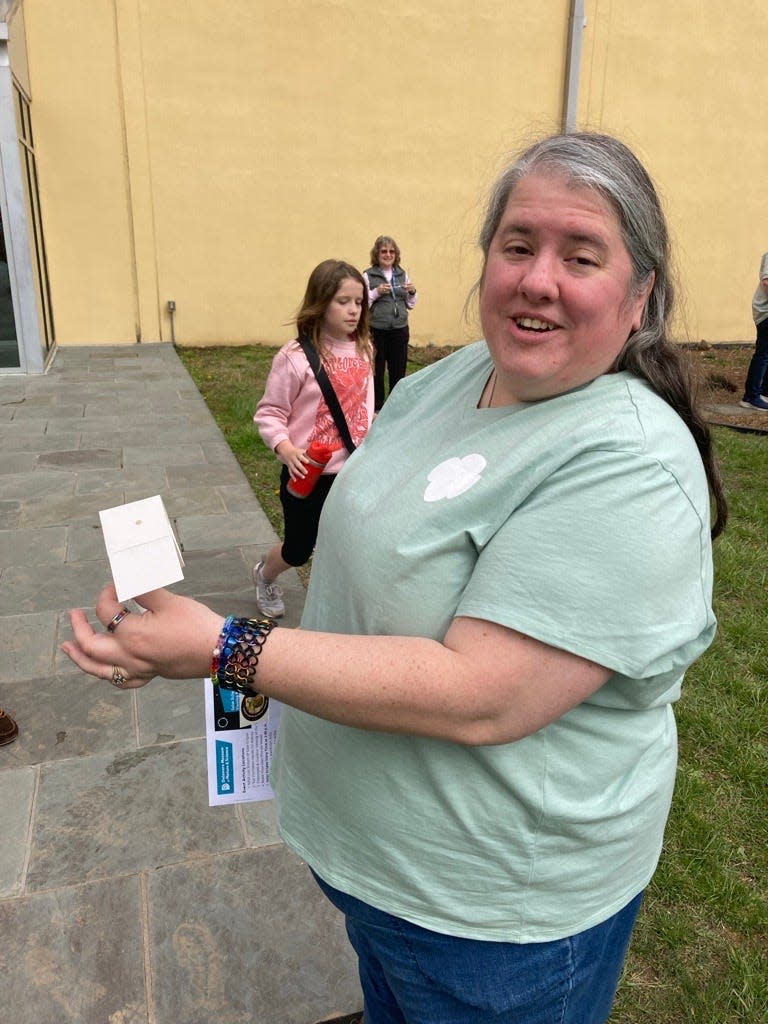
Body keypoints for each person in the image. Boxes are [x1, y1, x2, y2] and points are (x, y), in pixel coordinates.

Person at [62, 132, 727, 1024]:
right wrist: (171, 620)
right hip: (383, 879)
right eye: (518, 245)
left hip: (492, 927)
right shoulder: (450, 380)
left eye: (582, 256)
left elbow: (485, 694)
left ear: (640, 292)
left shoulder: (629, 463)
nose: (538, 278)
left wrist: (221, 647)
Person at [250, 259, 374, 617]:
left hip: (352, 471)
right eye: (343, 301)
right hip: (309, 472)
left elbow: (364, 407)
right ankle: (265, 574)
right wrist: (286, 449)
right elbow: (270, 412)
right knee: (299, 549)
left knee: (349, 543)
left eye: (359, 302)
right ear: (320, 303)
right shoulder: (294, 357)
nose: (354, 310)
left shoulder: (365, 348)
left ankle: (337, 606)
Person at [363, 236, 417, 410]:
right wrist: (376, 292)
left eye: (391, 251)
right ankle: (377, 407)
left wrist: (412, 292)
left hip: (400, 330)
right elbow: (363, 303)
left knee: (398, 369)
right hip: (377, 330)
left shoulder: (402, 274)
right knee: (377, 370)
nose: (388, 254)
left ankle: (395, 407)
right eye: (384, 251)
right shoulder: (369, 275)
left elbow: (410, 305)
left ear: (396, 254)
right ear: (377, 254)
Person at [739, 251, 768, 411]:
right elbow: (766, 282)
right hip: (765, 312)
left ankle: (764, 393)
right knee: (763, 354)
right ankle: (750, 397)